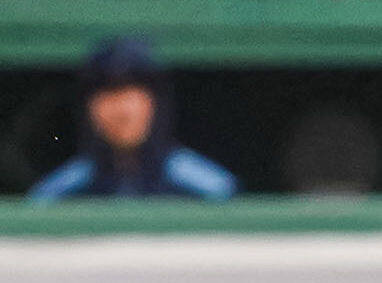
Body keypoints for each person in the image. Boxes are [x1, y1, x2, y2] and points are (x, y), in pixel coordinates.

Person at [28, 36, 236, 202]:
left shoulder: (209, 191)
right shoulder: (61, 195)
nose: (122, 110)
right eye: (109, 94)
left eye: (132, 93)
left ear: (155, 103)